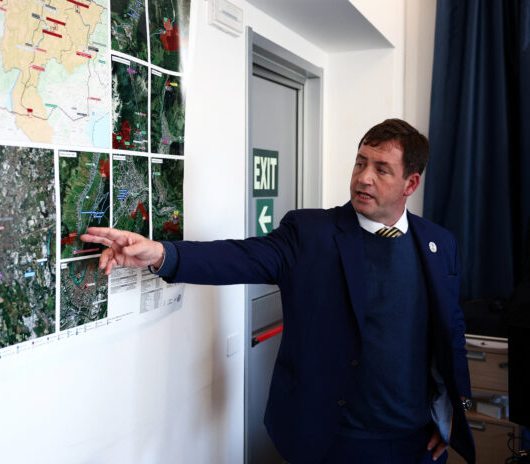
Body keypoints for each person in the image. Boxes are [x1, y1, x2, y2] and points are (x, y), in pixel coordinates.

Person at [81, 119, 474, 464]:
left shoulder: (439, 244)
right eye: (360, 162)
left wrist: (455, 413)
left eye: (381, 169)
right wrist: (161, 254)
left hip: (417, 440)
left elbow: (451, 331)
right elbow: (239, 257)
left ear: (411, 183)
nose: (363, 177)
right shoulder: (311, 233)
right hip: (336, 440)